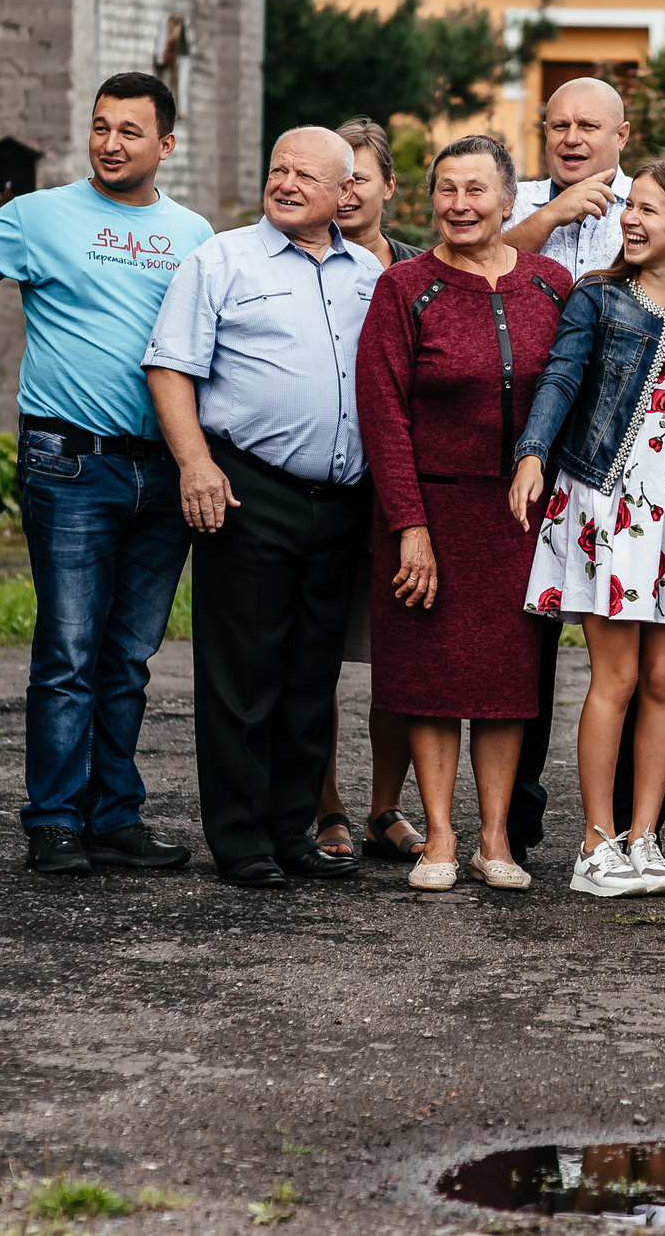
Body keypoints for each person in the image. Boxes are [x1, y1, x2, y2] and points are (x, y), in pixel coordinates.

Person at [0, 72, 210, 878]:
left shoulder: (194, 234)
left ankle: (114, 815)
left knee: (128, 655)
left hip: (163, 473)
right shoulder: (37, 215)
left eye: (129, 130)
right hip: (70, 464)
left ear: (167, 144)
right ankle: (53, 819)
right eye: (99, 127)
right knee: (70, 650)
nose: (110, 143)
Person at [499, 79, 665, 860]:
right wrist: (533, 450)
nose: (628, 220)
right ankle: (597, 838)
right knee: (616, 678)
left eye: (645, 212)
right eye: (627, 210)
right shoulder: (597, 298)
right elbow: (561, 378)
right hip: (606, 494)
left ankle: (645, 835)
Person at [144, 127, 381, 888]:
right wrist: (195, 463)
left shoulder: (369, 273)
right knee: (243, 673)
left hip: (340, 500)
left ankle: (292, 830)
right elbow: (171, 367)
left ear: (347, 192)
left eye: (304, 174)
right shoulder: (221, 259)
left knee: (311, 678)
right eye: (277, 168)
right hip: (249, 490)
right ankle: (240, 838)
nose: (284, 182)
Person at [354, 134, 571, 891]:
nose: (460, 205)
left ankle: (497, 838)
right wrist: (408, 524)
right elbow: (382, 415)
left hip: (520, 515)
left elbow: (571, 388)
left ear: (510, 202)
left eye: (476, 190)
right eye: (447, 189)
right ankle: (441, 834)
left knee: (510, 682)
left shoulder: (552, 282)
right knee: (434, 678)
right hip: (432, 511)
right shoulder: (403, 287)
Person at [313, 116, 427, 864]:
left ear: (389, 186)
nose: (347, 190)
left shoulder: (421, 270)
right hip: (322, 485)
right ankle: (326, 806)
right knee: (316, 653)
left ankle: (387, 804)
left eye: (361, 176)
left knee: (402, 654)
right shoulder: (293, 256)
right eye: (337, 177)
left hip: (402, 491)